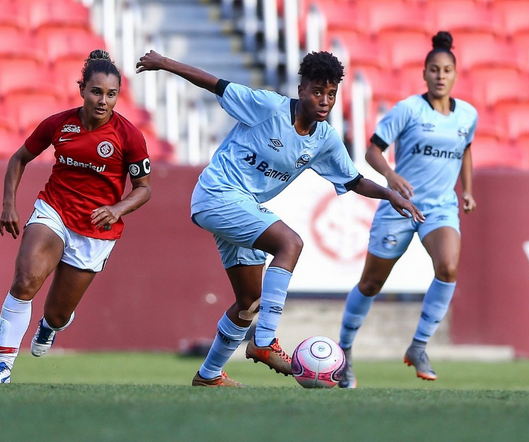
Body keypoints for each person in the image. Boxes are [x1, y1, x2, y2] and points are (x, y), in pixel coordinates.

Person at [135, 49, 424, 388]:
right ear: (301, 89)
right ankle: (265, 342)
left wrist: (389, 193)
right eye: (318, 91)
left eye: (331, 94)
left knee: (250, 301)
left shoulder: (325, 139)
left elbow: (354, 180)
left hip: (243, 205)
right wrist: (164, 63)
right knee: (290, 242)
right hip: (216, 193)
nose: (325, 100)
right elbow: (215, 84)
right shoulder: (266, 106)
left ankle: (209, 375)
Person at [0, 50, 152, 383]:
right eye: (96, 91)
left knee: (57, 312)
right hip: (54, 210)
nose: (103, 100)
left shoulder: (130, 137)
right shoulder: (58, 124)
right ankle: (3, 367)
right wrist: (8, 204)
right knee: (24, 282)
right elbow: (19, 158)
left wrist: (117, 208)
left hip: (95, 231)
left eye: (111, 94)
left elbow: (144, 189)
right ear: (81, 88)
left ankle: (50, 326)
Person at [336, 31, 477, 388]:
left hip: (441, 207)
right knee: (371, 283)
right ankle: (344, 352)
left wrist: (468, 191)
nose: (440, 76)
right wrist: (390, 175)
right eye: (434, 69)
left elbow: (467, 150)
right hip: (399, 207)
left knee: (448, 267)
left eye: (446, 70)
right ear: (425, 74)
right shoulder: (408, 110)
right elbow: (372, 151)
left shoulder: (468, 116)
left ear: (455, 74)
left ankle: (418, 346)